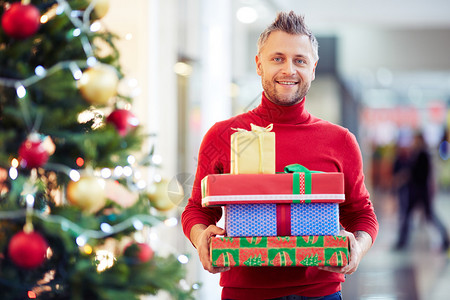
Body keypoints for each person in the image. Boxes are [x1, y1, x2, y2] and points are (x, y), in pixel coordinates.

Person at [182, 11, 379, 300]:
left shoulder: (341, 141)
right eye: (277, 58)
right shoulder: (223, 135)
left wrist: (356, 248)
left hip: (320, 292)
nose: (289, 69)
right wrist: (202, 238)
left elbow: (362, 213)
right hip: (245, 293)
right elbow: (197, 209)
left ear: (313, 68)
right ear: (259, 64)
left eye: (300, 60)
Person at [394, 132, 449, 251]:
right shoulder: (417, 154)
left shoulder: (423, 154)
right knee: (409, 217)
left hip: (421, 192)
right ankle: (402, 241)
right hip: (416, 192)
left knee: (427, 216)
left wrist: (407, 175)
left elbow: (420, 174)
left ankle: (445, 237)